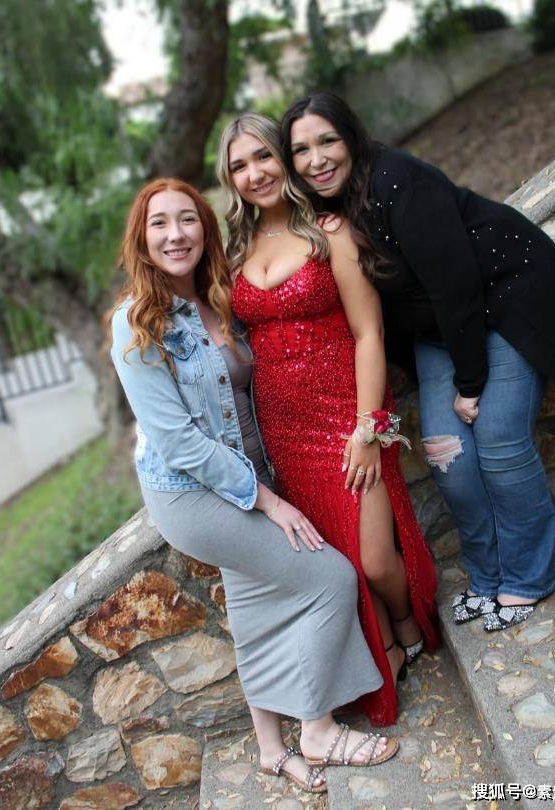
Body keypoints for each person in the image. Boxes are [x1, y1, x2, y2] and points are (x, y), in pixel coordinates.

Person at [109, 178, 402, 793]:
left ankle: (270, 749)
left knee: (253, 606)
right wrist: (267, 501)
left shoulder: (219, 299)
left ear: (205, 229)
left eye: (187, 219)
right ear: (141, 239)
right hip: (193, 492)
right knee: (329, 577)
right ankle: (317, 729)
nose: (175, 235)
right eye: (159, 224)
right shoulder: (136, 325)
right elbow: (179, 443)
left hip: (247, 472)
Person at [280, 92, 555, 632]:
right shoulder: (324, 213)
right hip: (438, 329)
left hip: (502, 301)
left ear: (351, 138)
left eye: (327, 141)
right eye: (301, 150)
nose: (316, 160)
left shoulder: (398, 181)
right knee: (446, 455)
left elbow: (456, 283)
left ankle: (528, 577)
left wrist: (470, 383)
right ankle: (487, 576)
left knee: (499, 442)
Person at [216, 113, 439, 728]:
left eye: (264, 156)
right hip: (283, 429)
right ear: (230, 180)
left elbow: (369, 334)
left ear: (284, 159)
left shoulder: (329, 231)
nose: (255, 173)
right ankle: (385, 648)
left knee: (375, 558)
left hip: (347, 414)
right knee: (337, 558)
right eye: (239, 166)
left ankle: (405, 619)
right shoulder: (233, 254)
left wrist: (368, 429)